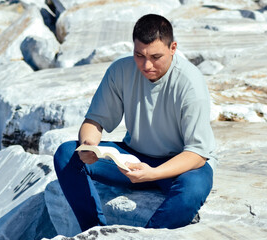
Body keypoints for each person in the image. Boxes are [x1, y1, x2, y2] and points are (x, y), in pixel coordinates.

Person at [54, 13, 216, 232]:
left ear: (173, 48)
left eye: (156, 57)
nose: (146, 65)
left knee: (193, 189)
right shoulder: (120, 70)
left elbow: (197, 153)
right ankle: (96, 233)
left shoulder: (190, 83)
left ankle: (146, 237)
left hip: (179, 165)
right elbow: (94, 120)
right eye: (139, 55)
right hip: (133, 159)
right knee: (67, 154)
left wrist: (153, 173)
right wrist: (89, 145)